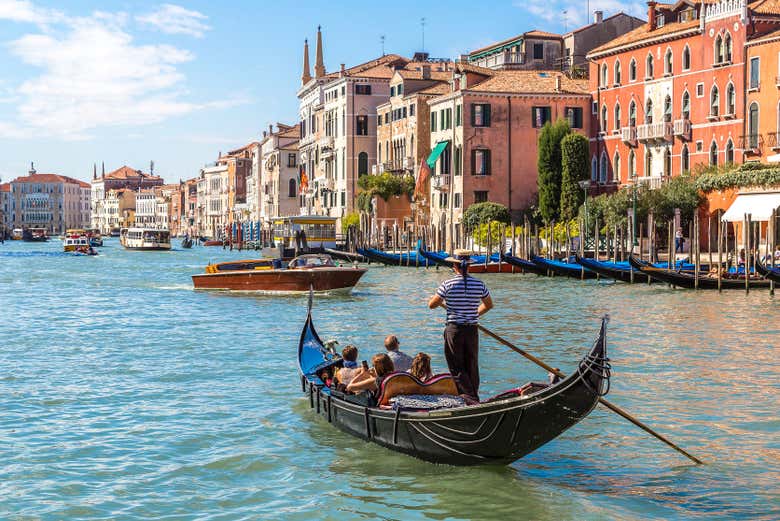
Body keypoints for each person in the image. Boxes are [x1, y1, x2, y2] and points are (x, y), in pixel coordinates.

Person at [428, 249, 493, 403]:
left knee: (456, 365)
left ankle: (468, 397)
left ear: (455, 266)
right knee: (471, 363)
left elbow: (432, 305)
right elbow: (488, 305)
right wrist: (473, 314)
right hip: (471, 329)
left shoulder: (447, 284)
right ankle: (473, 396)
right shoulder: (479, 284)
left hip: (454, 329)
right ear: (468, 266)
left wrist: (434, 298)